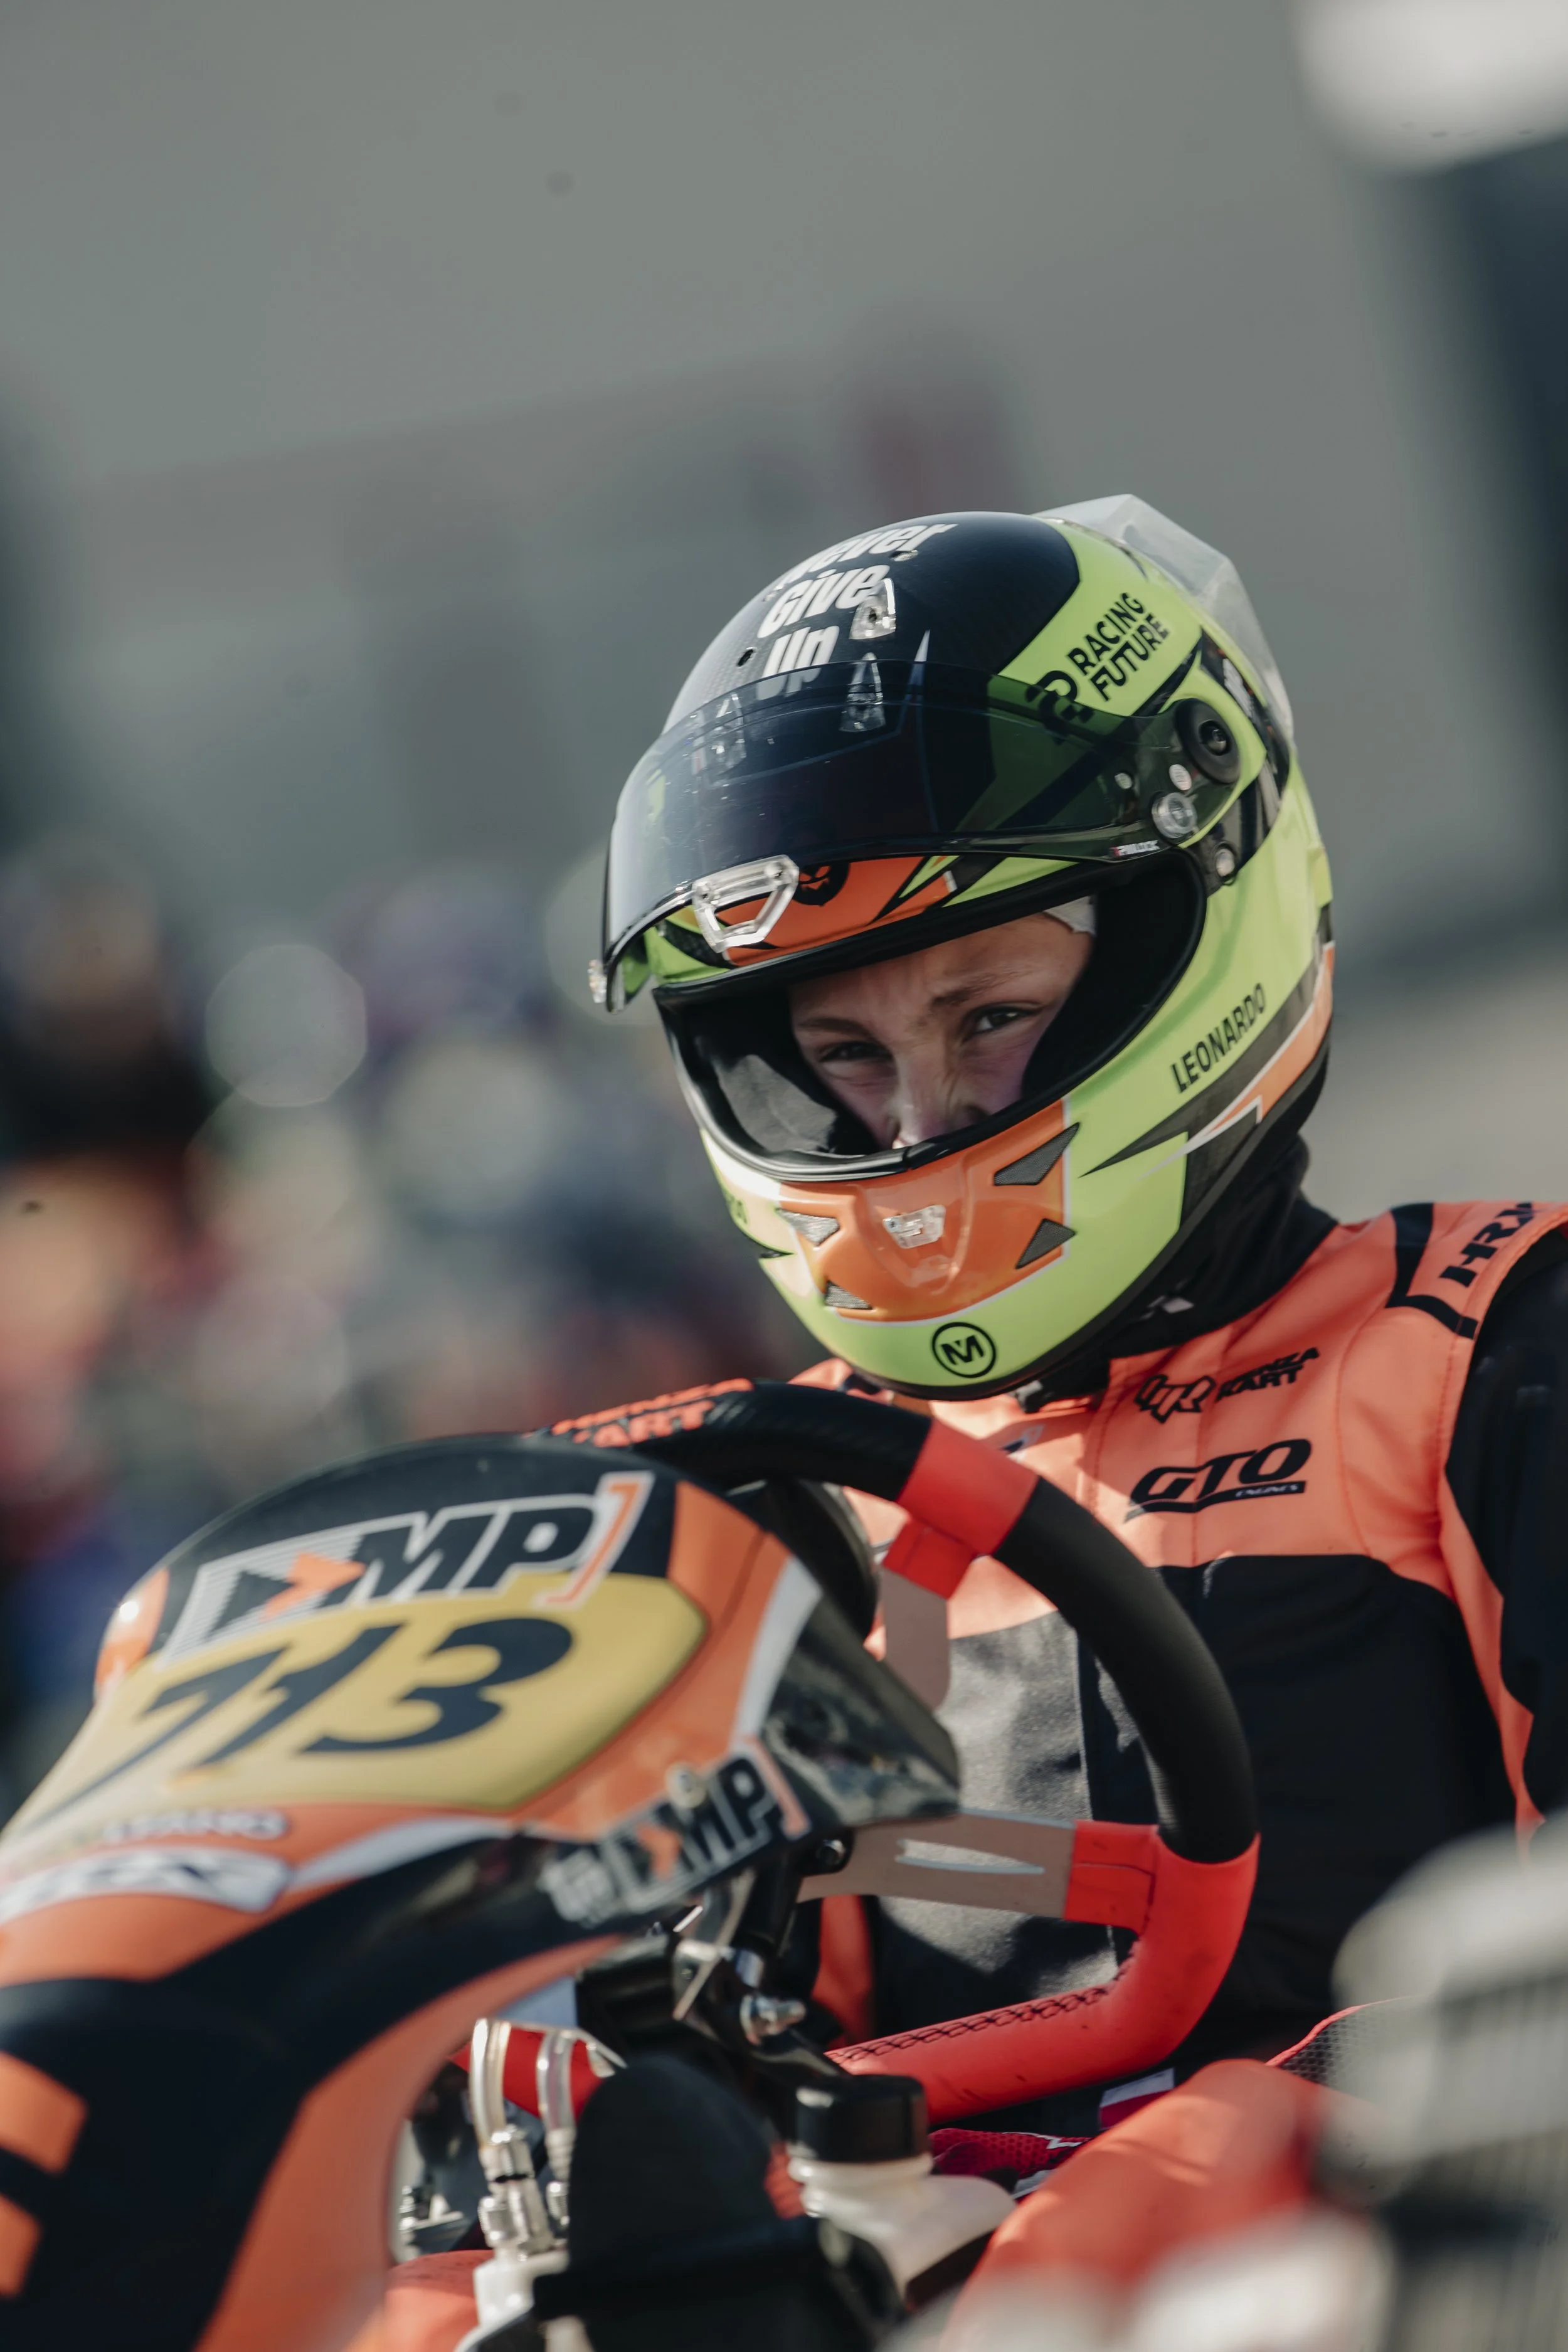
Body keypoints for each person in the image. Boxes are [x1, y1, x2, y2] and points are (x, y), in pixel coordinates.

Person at [590, 495, 1568, 2136]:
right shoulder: (804, 1495)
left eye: (990, 1016)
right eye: (844, 1056)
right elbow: (721, 2053)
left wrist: (1228, 2143)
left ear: (1196, 912)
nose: (913, 1123)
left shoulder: (1475, 1349)